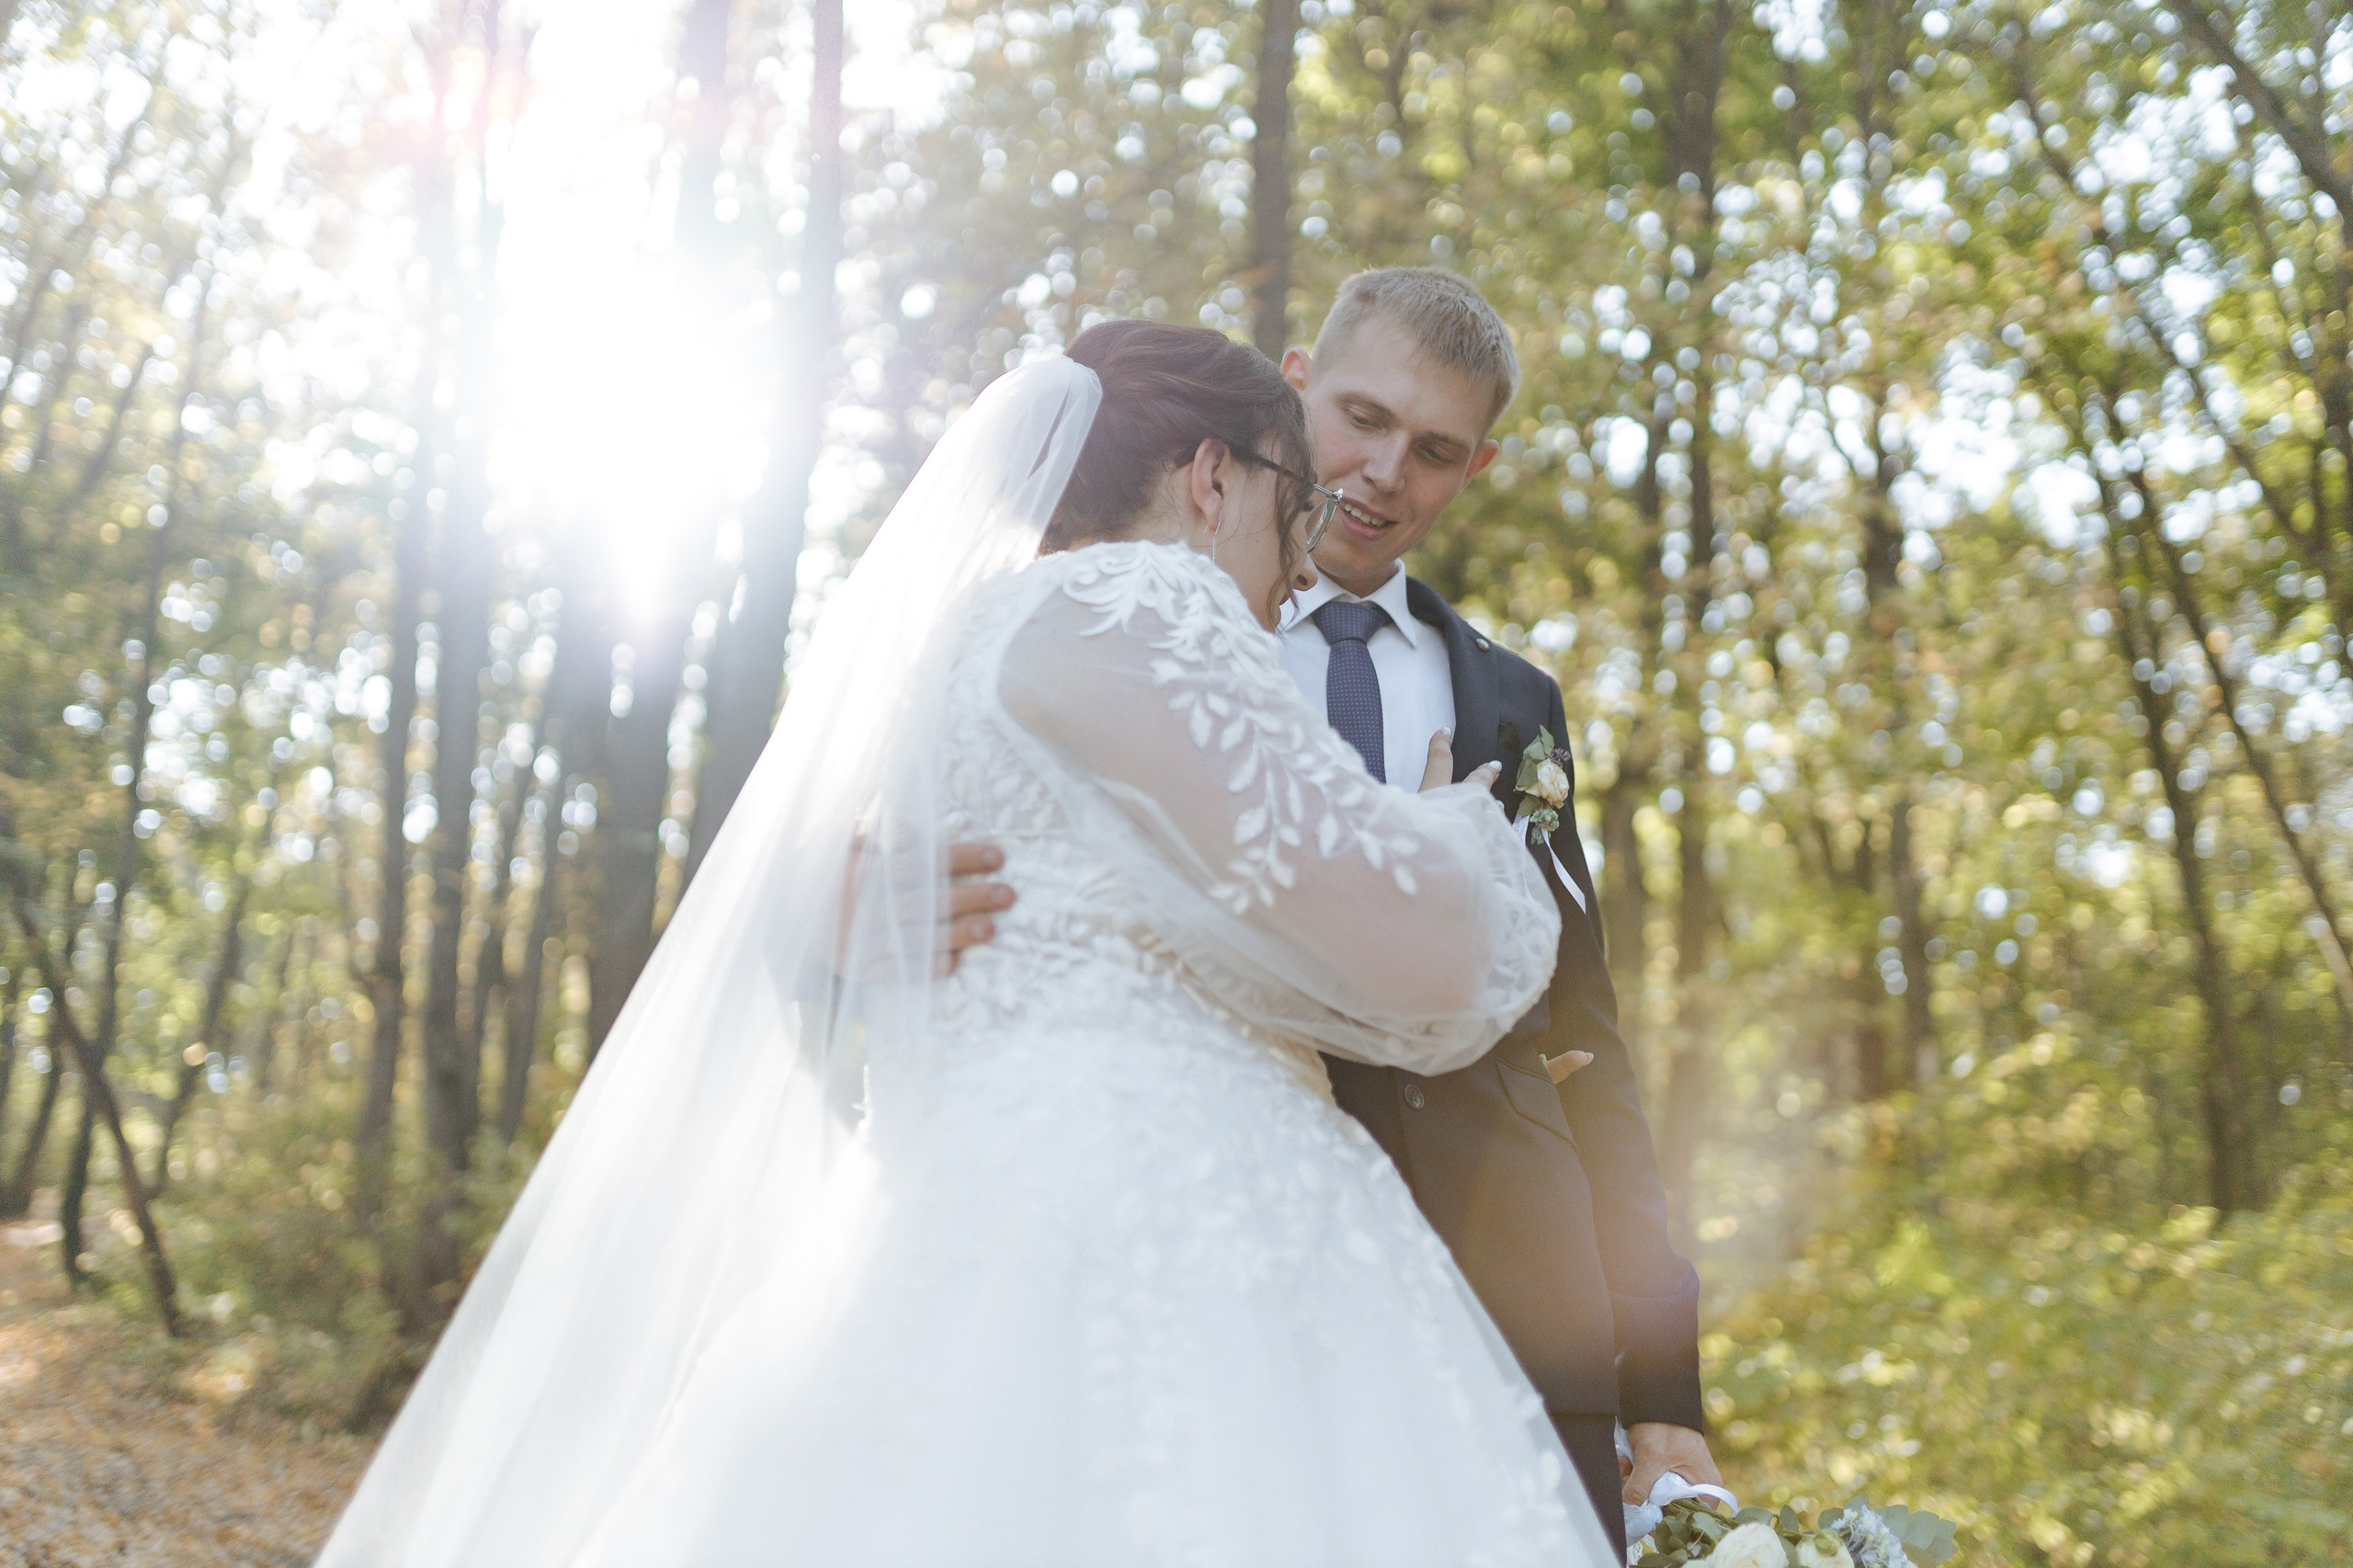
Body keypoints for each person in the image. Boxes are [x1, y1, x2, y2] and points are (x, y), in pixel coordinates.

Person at [315, 321, 1617, 1566]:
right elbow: (1429, 947)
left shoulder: (965, 639)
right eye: (1296, 505)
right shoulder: (1144, 600)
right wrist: (1452, 828)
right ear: (1215, 476)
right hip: (1160, 1206)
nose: (1294, 563)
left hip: (949, 1213)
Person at [949, 272, 1722, 1559]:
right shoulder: (1142, 614)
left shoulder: (1518, 700)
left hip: (1528, 1319)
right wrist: (842, 906)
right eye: (1361, 419)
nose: (1379, 474)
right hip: (1216, 1262)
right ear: (1295, 384)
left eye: (1433, 451)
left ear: (1474, 468)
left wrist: (1661, 1384)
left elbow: (1589, 1049)